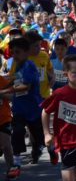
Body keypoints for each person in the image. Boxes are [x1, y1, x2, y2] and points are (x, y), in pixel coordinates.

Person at [7, 37, 46, 168]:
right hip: (19, 108)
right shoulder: (18, 65)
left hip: (33, 108)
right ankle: (16, 161)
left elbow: (25, 86)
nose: (14, 55)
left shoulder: (29, 65)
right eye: (12, 52)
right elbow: (14, 79)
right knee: (17, 131)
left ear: (26, 52)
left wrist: (4, 91)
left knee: (38, 137)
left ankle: (43, 150)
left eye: (17, 52)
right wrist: (4, 83)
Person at [0, 72, 15, 179]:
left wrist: (2, 93)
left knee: (6, 145)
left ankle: (11, 169)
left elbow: (12, 96)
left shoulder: (1, 80)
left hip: (3, 118)